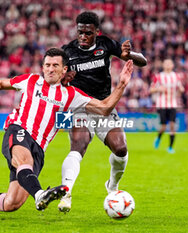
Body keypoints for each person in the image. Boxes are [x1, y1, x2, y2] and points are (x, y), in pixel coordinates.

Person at [0, 48, 133, 218]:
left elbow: (104, 108)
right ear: (42, 67)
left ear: (64, 69)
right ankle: (40, 194)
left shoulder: (71, 95)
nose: (50, 69)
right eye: (47, 65)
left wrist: (122, 84)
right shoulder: (31, 80)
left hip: (39, 147)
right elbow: (1, 83)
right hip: (19, 130)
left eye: (55, 65)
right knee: (25, 161)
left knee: (11, 203)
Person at [58, 11, 147, 212]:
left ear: (96, 32)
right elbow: (52, 78)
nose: (83, 36)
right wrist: (63, 79)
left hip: (104, 106)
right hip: (78, 107)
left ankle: (112, 186)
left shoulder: (106, 44)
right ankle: (66, 193)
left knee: (121, 149)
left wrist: (129, 54)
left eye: (88, 33)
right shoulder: (67, 51)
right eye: (80, 32)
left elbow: (143, 62)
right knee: (78, 145)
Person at [150, 59, 184, 154]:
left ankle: (170, 147)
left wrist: (181, 89)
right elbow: (151, 89)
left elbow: (180, 88)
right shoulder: (159, 76)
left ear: (172, 65)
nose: (168, 65)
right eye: (166, 63)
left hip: (172, 104)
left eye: (170, 63)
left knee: (172, 126)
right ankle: (158, 138)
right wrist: (158, 89)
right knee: (164, 127)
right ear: (163, 65)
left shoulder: (176, 76)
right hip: (162, 104)